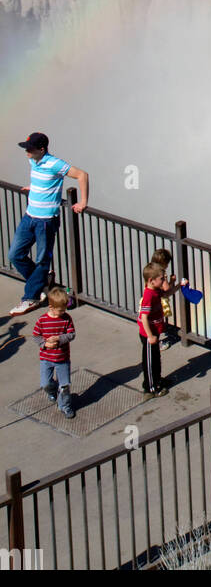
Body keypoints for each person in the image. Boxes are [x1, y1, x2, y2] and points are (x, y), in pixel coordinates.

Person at [8, 132, 89, 315]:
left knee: (42, 260)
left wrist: (83, 202)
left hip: (46, 221)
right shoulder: (33, 160)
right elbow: (40, 179)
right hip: (29, 216)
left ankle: (30, 298)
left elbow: (82, 175)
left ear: (41, 149)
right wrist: (34, 187)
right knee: (15, 254)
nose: (26, 152)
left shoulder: (55, 164)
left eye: (30, 148)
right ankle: (43, 282)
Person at [32, 286, 76, 419]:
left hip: (62, 359)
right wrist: (45, 344)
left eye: (64, 310)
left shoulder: (66, 319)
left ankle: (65, 406)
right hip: (46, 358)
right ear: (51, 307)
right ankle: (51, 390)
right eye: (60, 310)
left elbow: (72, 335)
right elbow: (36, 336)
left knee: (65, 386)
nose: (63, 313)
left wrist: (59, 338)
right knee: (45, 383)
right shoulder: (42, 320)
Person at [138, 262, 169, 397]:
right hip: (148, 334)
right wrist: (150, 336)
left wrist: (180, 286)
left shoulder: (155, 291)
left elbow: (168, 293)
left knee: (156, 358)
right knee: (150, 361)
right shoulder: (149, 296)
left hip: (154, 332)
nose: (163, 281)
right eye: (161, 279)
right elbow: (144, 318)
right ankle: (151, 388)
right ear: (151, 280)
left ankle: (157, 380)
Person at [150, 248, 185, 349]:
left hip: (150, 299)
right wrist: (175, 282)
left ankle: (152, 340)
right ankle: (156, 343)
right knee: (157, 323)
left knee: (151, 322)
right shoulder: (161, 274)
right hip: (158, 302)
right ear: (163, 263)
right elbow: (166, 289)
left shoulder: (150, 270)